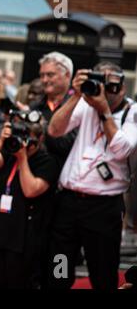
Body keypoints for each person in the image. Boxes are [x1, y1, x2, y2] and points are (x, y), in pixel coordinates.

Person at [47, 61, 137, 289]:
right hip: (69, 202)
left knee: (102, 272)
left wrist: (103, 110)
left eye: (109, 83)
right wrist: (76, 95)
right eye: (99, 81)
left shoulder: (131, 111)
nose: (103, 88)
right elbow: (54, 130)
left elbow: (122, 149)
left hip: (104, 207)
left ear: (122, 87)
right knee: (60, 265)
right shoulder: (84, 103)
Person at [0, 113, 59, 289]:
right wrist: (1, 141)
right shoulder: (9, 154)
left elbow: (31, 190)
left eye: (30, 141)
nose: (25, 146)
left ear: (41, 139)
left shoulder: (47, 162)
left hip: (23, 240)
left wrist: (23, 159)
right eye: (22, 139)